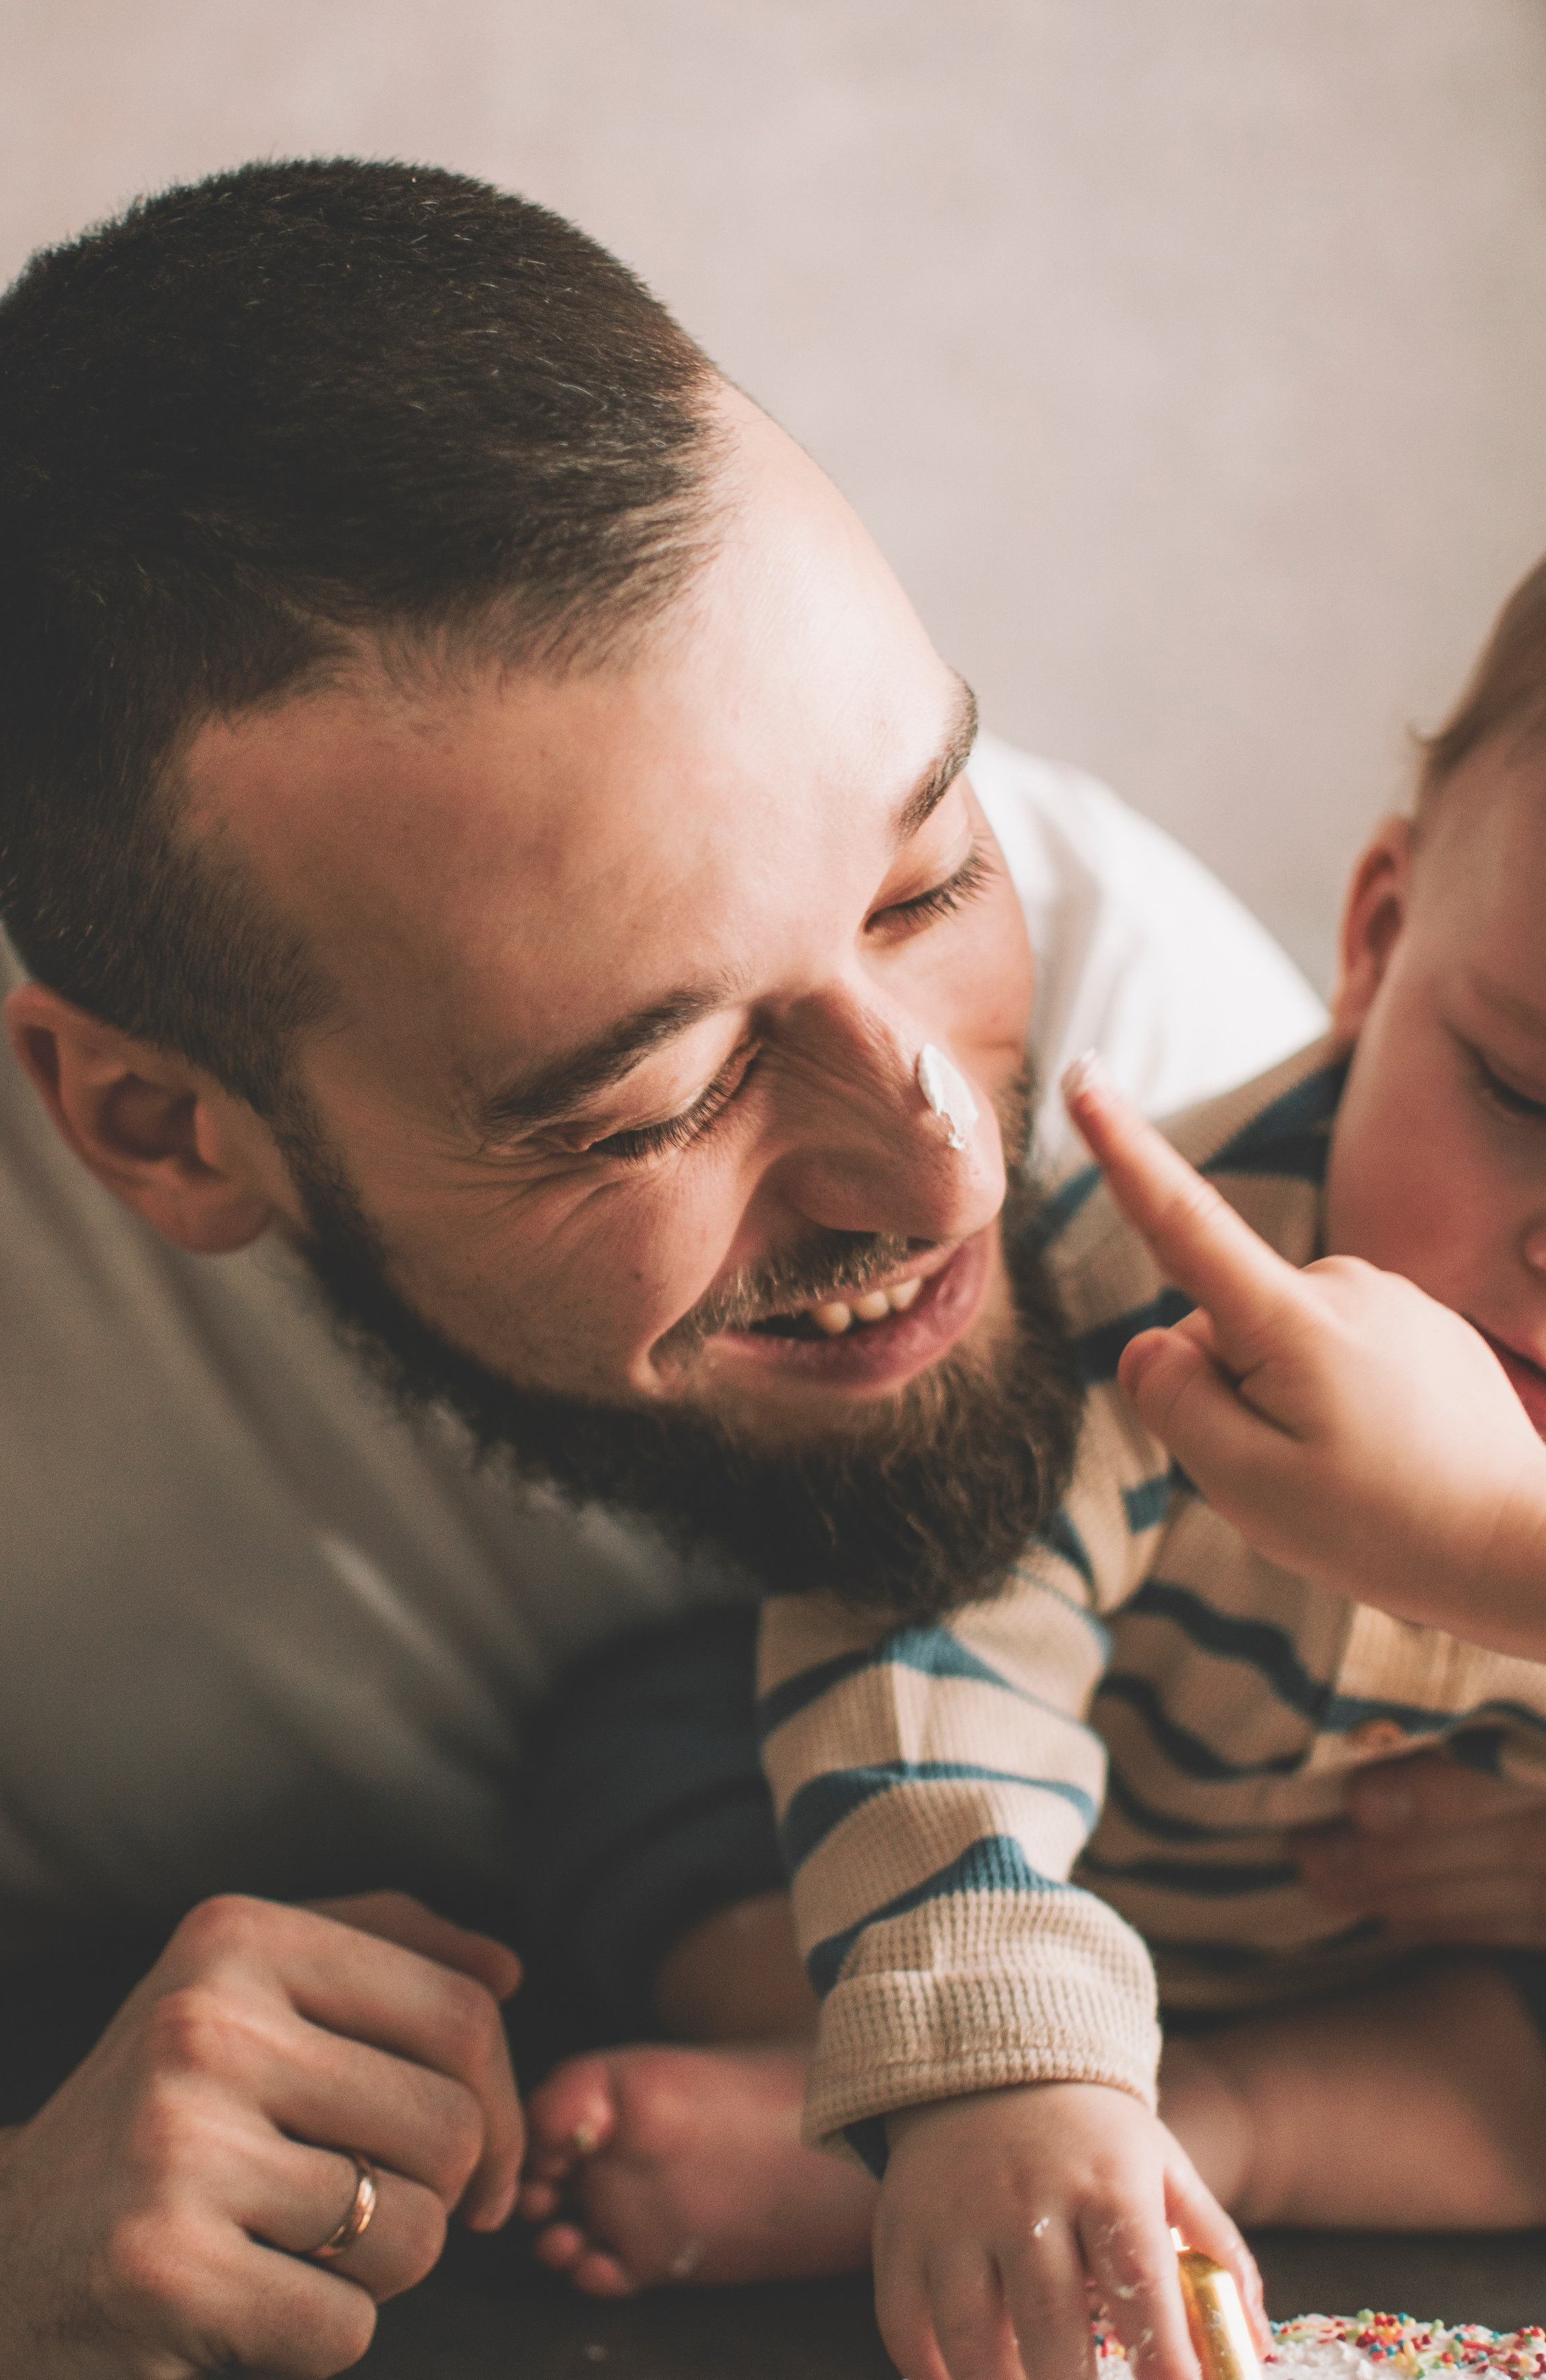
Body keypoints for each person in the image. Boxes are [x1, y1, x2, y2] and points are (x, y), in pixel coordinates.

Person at [0, 156, 1336, 2375]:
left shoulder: (1156, 1048)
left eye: (924, 886)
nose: (936, 1177)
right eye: (656, 1098)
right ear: (159, 1126)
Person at [518, 558, 1546, 2380]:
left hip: (1387, 2010)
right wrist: (1006, 2053)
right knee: (661, 1728)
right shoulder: (1153, 1286)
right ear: (1380, 933)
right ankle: (949, 2102)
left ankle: (1165, 2152)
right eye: (1527, 1094)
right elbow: (939, 1648)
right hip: (1012, 1854)